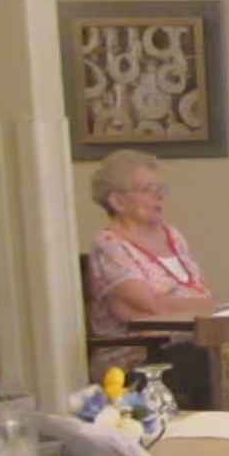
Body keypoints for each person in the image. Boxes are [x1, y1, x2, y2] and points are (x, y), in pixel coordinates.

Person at [84, 149, 216, 376]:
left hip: (189, 345)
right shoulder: (109, 246)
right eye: (147, 190)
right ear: (117, 201)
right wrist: (215, 308)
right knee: (224, 362)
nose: (159, 196)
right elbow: (150, 308)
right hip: (138, 360)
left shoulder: (173, 236)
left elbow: (197, 294)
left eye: (160, 189)